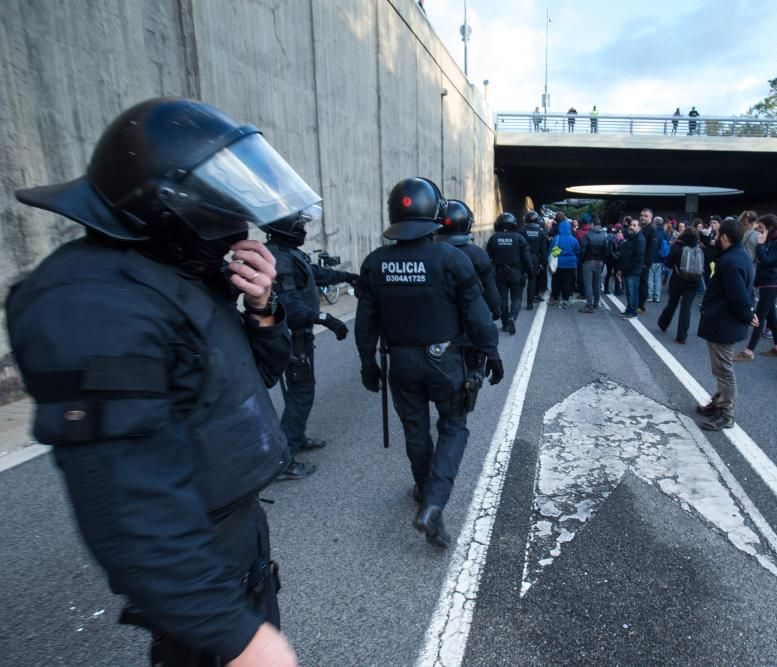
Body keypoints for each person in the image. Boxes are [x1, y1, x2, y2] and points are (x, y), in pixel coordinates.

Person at [5, 98, 306, 665]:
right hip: (198, 550)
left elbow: (251, 380)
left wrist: (263, 307)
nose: (239, 228)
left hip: (240, 535)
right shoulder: (96, 303)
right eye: (224, 214)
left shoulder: (179, 277)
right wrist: (237, 636)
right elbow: (128, 508)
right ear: (166, 212)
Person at [354, 177, 503, 549]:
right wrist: (491, 351)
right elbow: (478, 314)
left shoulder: (375, 262)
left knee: (416, 429)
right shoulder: (452, 258)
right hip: (444, 361)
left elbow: (365, 321)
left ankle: (423, 489)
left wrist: (367, 362)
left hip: (400, 363)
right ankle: (434, 503)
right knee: (454, 426)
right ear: (435, 213)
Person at [265, 206, 359, 481]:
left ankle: (296, 436)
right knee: (301, 392)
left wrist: (346, 277)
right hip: (291, 337)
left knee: (301, 390)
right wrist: (325, 318)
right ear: (285, 227)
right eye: (299, 224)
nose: (304, 229)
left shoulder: (289, 253)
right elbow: (288, 305)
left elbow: (314, 273)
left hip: (299, 335)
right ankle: (284, 458)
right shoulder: (279, 259)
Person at [695, 218, 757, 431]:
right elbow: (747, 289)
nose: (714, 237)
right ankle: (719, 402)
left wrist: (747, 313)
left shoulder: (730, 261)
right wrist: (749, 312)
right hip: (725, 321)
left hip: (724, 322)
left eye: (718, 234)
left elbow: (738, 293)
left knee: (723, 369)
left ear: (724, 237)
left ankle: (726, 413)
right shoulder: (740, 255)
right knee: (721, 368)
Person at [435, 199, 501, 321]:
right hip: (468, 319)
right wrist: (495, 307)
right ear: (467, 223)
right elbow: (490, 288)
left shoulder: (429, 252)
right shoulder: (477, 253)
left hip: (435, 321)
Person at [736, 214, 777, 361]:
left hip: (773, 282)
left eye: (761, 228)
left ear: (769, 228)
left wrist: (760, 244)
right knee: (771, 315)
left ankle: (748, 351)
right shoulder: (774, 239)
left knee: (759, 316)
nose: (758, 232)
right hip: (768, 281)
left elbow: (767, 260)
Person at [487, 212, 533, 335]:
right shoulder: (519, 238)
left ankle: (504, 323)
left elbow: (486, 259)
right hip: (517, 272)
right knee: (517, 297)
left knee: (502, 298)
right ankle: (512, 317)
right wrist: (530, 273)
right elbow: (527, 259)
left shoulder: (493, 238)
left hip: (499, 272)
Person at [656, 227, 702, 343]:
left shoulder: (677, 246)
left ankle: (663, 323)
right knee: (686, 308)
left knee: (672, 303)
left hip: (678, 280)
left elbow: (669, 264)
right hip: (694, 281)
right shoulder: (699, 247)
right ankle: (682, 336)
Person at [548, 215, 581, 307]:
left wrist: (548, 261)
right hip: (571, 264)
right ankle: (565, 300)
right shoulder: (574, 240)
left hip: (558, 263)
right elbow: (578, 251)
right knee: (567, 282)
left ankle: (555, 298)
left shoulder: (556, 238)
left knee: (556, 281)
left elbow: (550, 250)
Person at [616, 217, 646, 318]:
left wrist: (626, 268)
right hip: (627, 269)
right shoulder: (630, 237)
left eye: (634, 225)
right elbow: (624, 253)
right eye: (631, 225)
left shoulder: (640, 239)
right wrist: (621, 268)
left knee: (632, 292)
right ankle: (629, 309)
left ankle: (632, 312)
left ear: (639, 227)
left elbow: (638, 257)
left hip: (633, 270)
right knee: (628, 292)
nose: (632, 227)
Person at [579, 216, 610, 313]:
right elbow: (606, 251)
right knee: (597, 283)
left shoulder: (588, 235)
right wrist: (603, 261)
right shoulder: (604, 235)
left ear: (592, 224)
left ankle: (589, 305)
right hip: (599, 262)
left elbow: (583, 250)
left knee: (588, 284)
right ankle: (596, 303)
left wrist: (582, 260)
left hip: (588, 261)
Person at [519, 210, 548, 305]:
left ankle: (517, 301)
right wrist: (544, 262)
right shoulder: (541, 232)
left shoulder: (521, 231)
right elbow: (543, 249)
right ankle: (529, 304)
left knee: (519, 279)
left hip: (522, 258)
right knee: (532, 280)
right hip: (535, 258)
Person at [638, 208, 659, 313]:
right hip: (637, 261)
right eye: (642, 215)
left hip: (644, 263)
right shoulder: (640, 228)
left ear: (651, 218)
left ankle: (641, 306)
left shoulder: (652, 230)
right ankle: (636, 304)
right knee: (637, 284)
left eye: (646, 216)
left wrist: (646, 264)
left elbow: (652, 248)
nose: (643, 217)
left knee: (643, 284)